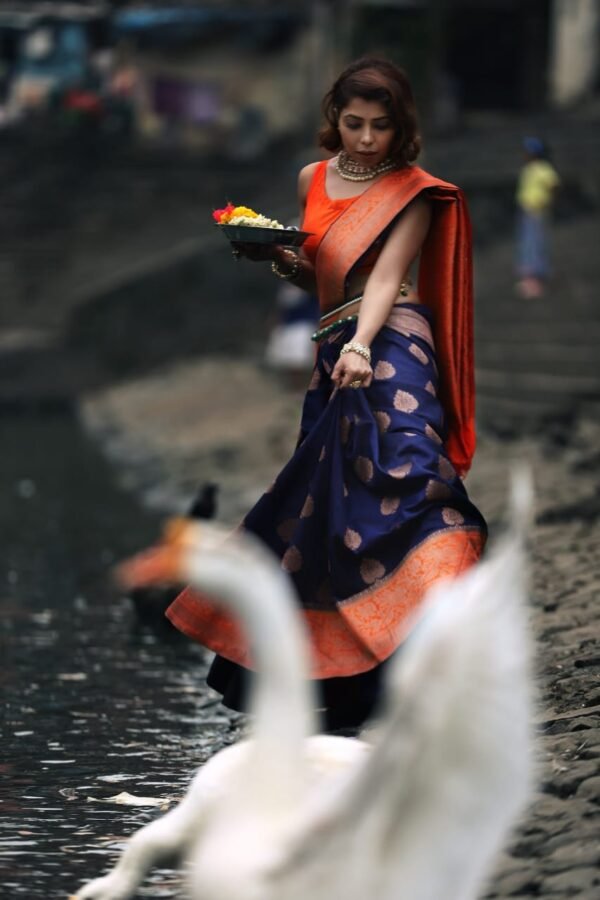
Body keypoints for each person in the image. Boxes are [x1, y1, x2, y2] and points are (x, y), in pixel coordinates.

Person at [166, 57, 487, 734]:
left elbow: (383, 279)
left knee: (410, 471)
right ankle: (353, 679)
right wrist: (277, 257)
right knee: (331, 500)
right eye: (353, 124)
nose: (367, 139)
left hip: (394, 341)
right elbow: (325, 277)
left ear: (402, 127)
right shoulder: (313, 179)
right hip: (333, 347)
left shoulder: (415, 193)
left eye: (381, 126)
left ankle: (439, 617)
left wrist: (366, 347)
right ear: (332, 121)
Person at [515, 136, 560, 298]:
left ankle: (536, 278)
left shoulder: (543, 169)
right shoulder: (529, 169)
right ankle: (529, 277)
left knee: (535, 243)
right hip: (527, 210)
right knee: (528, 243)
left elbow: (553, 185)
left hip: (537, 210)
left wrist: (546, 201)